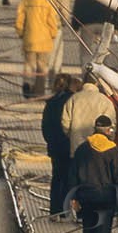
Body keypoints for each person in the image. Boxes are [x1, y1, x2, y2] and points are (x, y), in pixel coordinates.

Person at [14, 0, 61, 99]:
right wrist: (53, 34)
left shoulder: (26, 1)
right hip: (45, 41)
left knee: (29, 65)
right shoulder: (48, 2)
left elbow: (19, 21)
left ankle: (27, 84)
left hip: (29, 39)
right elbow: (52, 22)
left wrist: (21, 34)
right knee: (42, 67)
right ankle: (39, 92)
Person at [42, 75, 77, 216]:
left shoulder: (50, 103)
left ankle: (55, 210)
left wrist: (50, 141)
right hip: (70, 145)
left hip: (55, 147)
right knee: (69, 178)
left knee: (57, 178)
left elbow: (45, 127)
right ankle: (65, 211)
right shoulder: (73, 100)